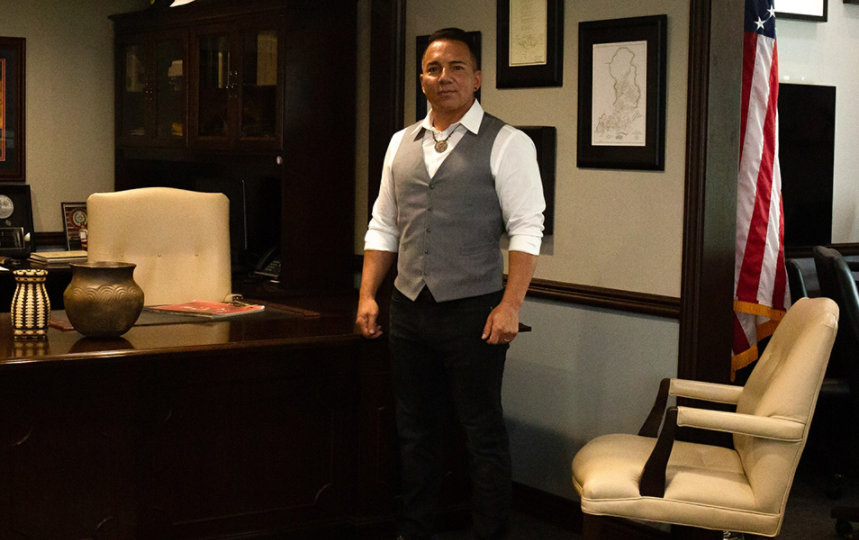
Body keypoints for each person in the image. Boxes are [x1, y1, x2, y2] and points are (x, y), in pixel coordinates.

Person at [356, 27, 545, 540]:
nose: (445, 78)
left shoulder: (509, 143)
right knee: (414, 433)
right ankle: (414, 530)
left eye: (457, 68)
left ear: (477, 78)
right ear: (422, 79)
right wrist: (368, 294)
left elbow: (528, 229)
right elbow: (384, 224)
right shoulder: (401, 143)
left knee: (480, 433)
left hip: (474, 310)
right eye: (434, 69)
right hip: (409, 308)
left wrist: (511, 306)